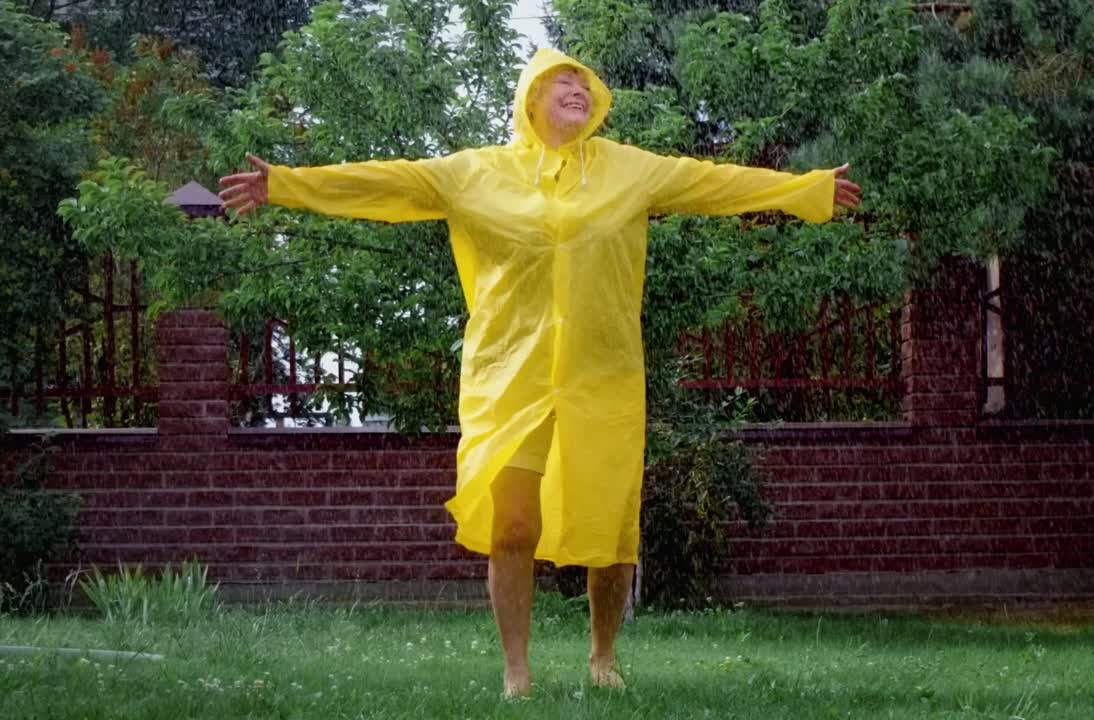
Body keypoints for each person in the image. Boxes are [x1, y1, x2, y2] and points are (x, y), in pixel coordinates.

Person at [219, 47, 862, 698]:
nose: (578, 86)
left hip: (603, 374)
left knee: (609, 528)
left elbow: (715, 183)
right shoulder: (475, 173)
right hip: (510, 376)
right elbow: (388, 182)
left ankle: (603, 657)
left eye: (584, 81)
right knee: (514, 526)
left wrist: (802, 191)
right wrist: (287, 184)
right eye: (562, 79)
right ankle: (516, 672)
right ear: (530, 97)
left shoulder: (629, 171)